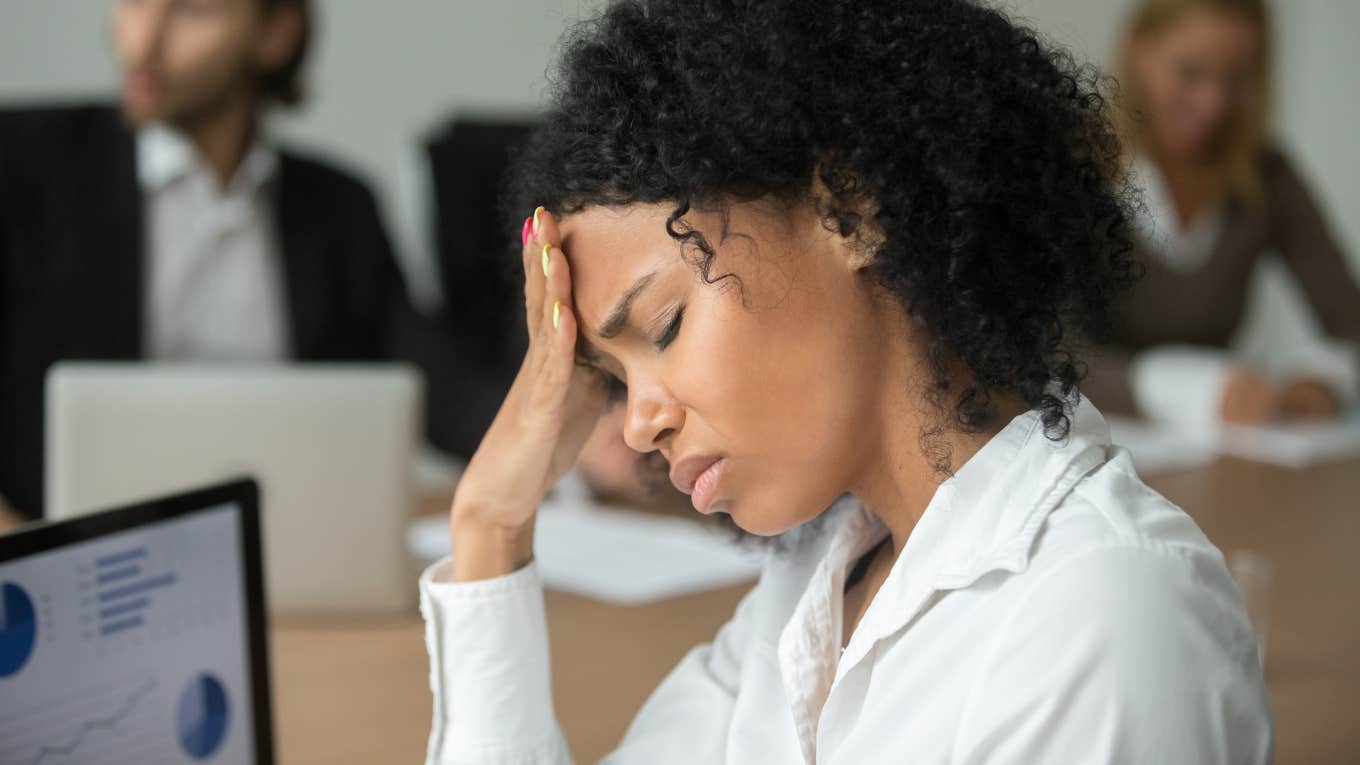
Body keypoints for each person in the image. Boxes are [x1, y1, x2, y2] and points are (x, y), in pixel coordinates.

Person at [416, 0, 1272, 762]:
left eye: (665, 327)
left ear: (851, 213)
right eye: (609, 376)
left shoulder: (1104, 622)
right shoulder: (812, 592)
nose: (638, 424)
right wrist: (491, 523)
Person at [0, 0, 431, 518]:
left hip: (291, 552)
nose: (142, 44)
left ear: (276, 33)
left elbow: (434, 379)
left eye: (191, 11)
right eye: (134, 3)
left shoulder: (340, 208)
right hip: (56, 564)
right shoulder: (21, 166)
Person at [1083, 0, 1360, 426]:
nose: (1214, 104)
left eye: (1235, 79)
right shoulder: (1075, 162)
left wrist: (1322, 380)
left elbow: (1349, 320)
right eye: (1189, 73)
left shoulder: (1265, 175)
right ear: (1138, 50)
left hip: (1219, 454)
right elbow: (1039, 349)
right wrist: (1186, 388)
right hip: (1081, 445)